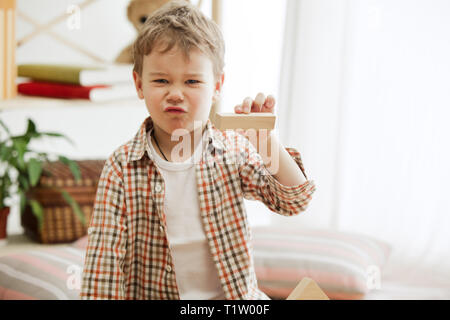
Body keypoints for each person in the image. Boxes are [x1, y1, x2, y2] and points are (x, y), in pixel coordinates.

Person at [80, 0, 316, 300]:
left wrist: (266, 142)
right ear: (139, 84)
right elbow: (103, 268)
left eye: (192, 81)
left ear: (217, 86)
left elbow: (295, 200)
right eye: (161, 80)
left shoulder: (232, 152)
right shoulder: (121, 167)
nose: (175, 93)